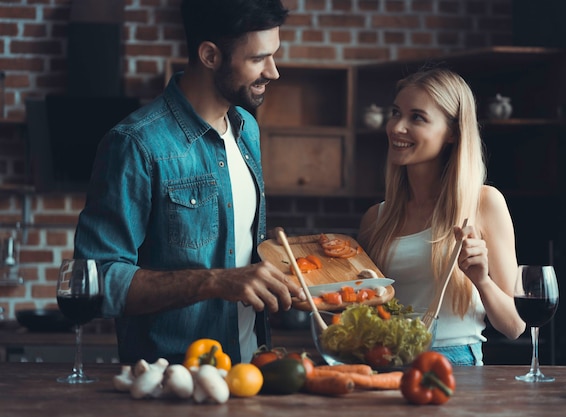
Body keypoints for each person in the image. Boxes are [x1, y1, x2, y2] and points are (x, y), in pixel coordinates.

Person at [73, 0, 306, 365]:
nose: (273, 72)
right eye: (259, 58)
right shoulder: (135, 143)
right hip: (170, 381)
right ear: (210, 55)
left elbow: (240, 253)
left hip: (250, 371)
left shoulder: (247, 129)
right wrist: (215, 281)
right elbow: (99, 280)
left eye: (274, 55)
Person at [357, 68, 526, 366]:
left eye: (417, 117)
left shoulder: (484, 203)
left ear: (453, 133)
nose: (397, 127)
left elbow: (514, 326)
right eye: (396, 113)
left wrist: (481, 280)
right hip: (383, 362)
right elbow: (365, 313)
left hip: (453, 363)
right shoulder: (376, 218)